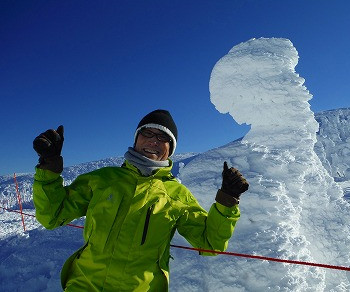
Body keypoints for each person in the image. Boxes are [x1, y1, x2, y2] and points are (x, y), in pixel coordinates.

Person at [32, 109, 249, 291]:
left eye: (163, 137)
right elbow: (52, 216)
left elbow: (209, 244)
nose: (154, 141)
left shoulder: (176, 195)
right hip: (84, 284)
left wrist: (227, 201)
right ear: (136, 138)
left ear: (171, 148)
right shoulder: (102, 179)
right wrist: (49, 166)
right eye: (148, 133)